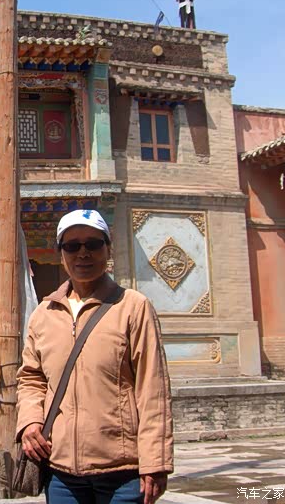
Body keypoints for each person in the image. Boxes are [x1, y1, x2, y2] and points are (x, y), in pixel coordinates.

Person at [16, 209, 173, 504]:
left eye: (93, 244)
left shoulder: (133, 307)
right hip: (60, 470)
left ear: (108, 249)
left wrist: (156, 461)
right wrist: (30, 421)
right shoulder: (44, 313)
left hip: (122, 470)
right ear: (60, 254)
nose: (83, 253)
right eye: (72, 246)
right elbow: (31, 378)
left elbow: (153, 389)